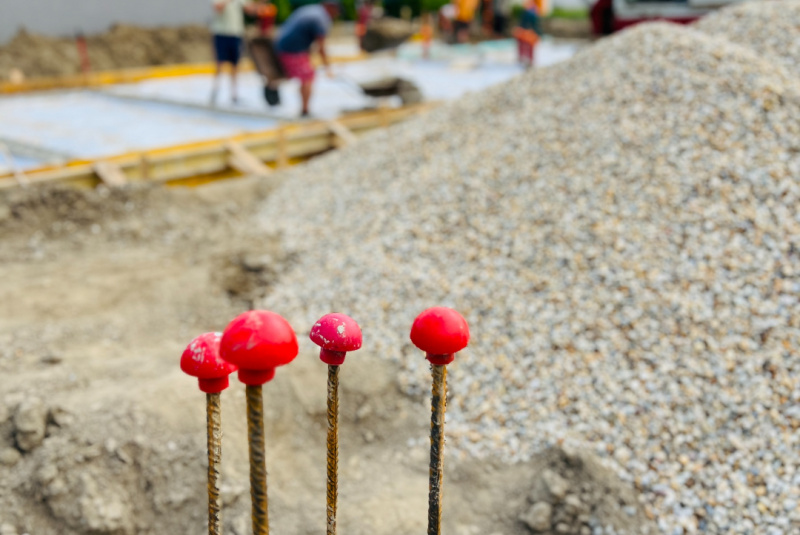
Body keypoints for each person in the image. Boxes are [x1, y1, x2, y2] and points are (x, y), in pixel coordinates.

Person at [275, 1, 339, 117]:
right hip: (290, 49)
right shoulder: (321, 18)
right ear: (331, 8)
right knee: (307, 76)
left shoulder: (313, 10)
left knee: (306, 75)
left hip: (285, 45)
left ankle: (304, 109)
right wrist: (328, 67)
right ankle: (305, 111)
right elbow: (321, 47)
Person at [210, 0, 261, 105]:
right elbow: (218, 8)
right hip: (221, 33)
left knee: (235, 64)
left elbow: (250, 10)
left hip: (236, 33)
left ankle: (234, 94)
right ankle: (215, 91)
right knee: (219, 63)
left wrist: (259, 5)